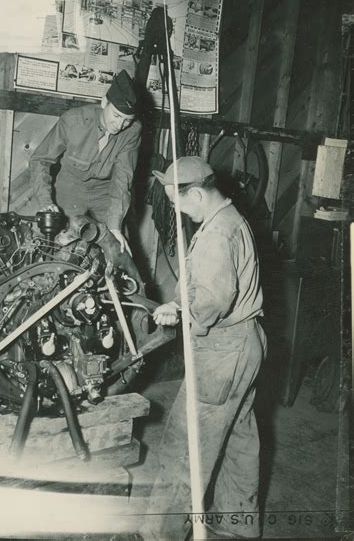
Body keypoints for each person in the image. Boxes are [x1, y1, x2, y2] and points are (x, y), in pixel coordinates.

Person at [142, 156, 267, 540]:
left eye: (178, 203)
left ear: (197, 193)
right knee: (238, 435)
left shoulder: (216, 234)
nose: (178, 212)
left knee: (186, 444)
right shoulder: (228, 220)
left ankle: (157, 534)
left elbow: (212, 299)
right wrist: (178, 303)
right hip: (247, 343)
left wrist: (180, 315)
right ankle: (236, 520)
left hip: (223, 351)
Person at [29, 70, 141, 254]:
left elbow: (123, 178)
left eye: (127, 120)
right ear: (104, 102)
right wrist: (45, 201)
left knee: (116, 248)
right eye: (116, 116)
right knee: (59, 248)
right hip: (70, 188)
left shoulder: (132, 131)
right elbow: (40, 160)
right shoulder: (74, 121)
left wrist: (115, 227)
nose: (120, 126)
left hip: (104, 192)